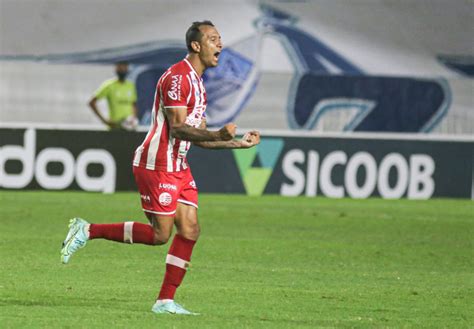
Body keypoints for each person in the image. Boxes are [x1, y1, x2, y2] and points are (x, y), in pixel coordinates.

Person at [61, 21, 261, 315]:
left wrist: (237, 145)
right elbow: (179, 129)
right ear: (196, 45)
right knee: (159, 235)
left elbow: (201, 138)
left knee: (191, 229)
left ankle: (164, 301)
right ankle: (87, 230)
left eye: (220, 39)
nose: (220, 45)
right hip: (157, 164)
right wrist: (218, 134)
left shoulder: (200, 86)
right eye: (213, 39)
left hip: (179, 166)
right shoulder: (178, 78)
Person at [88, 61, 139, 130]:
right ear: (116, 68)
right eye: (120, 67)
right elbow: (92, 102)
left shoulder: (130, 85)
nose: (122, 69)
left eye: (124, 67)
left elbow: (133, 104)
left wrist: (133, 118)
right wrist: (104, 121)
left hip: (129, 128)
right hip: (115, 128)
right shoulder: (109, 85)